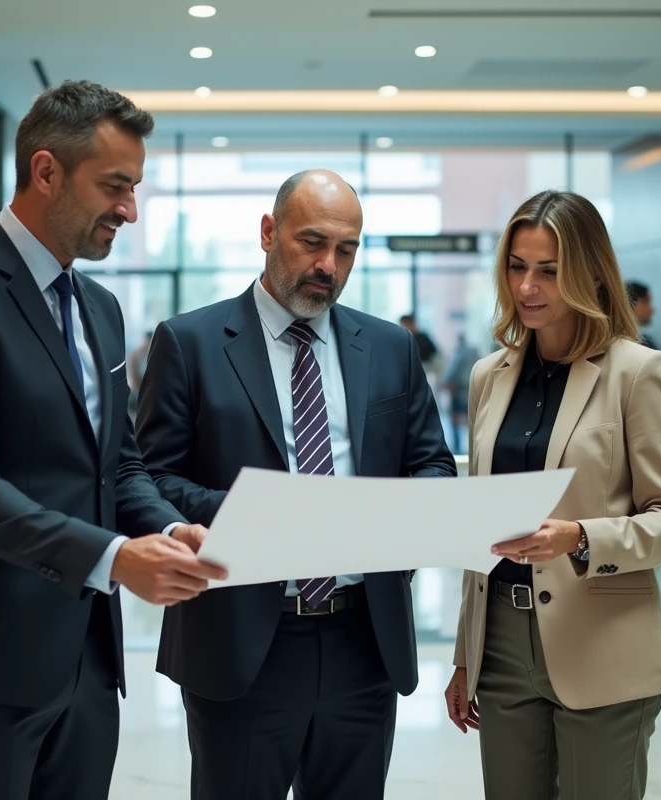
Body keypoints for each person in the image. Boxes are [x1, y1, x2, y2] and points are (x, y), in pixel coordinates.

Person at [0, 80, 226, 800]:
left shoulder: (100, 308)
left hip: (88, 662)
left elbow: (117, 467)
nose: (129, 210)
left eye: (134, 188)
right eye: (114, 186)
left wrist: (167, 530)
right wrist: (113, 558)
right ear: (46, 172)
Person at [136, 169, 457, 799]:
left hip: (366, 639)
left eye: (346, 250)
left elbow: (433, 465)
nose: (328, 265)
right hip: (241, 640)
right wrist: (264, 514)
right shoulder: (190, 342)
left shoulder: (390, 347)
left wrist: (392, 514)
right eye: (312, 242)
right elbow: (150, 478)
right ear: (268, 232)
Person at [444, 190, 661, 799]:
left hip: (602, 639)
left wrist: (579, 537)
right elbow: (481, 528)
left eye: (550, 271)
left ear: (590, 274)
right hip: (501, 641)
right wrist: (466, 655)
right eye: (517, 267)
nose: (527, 287)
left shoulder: (638, 372)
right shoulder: (488, 376)